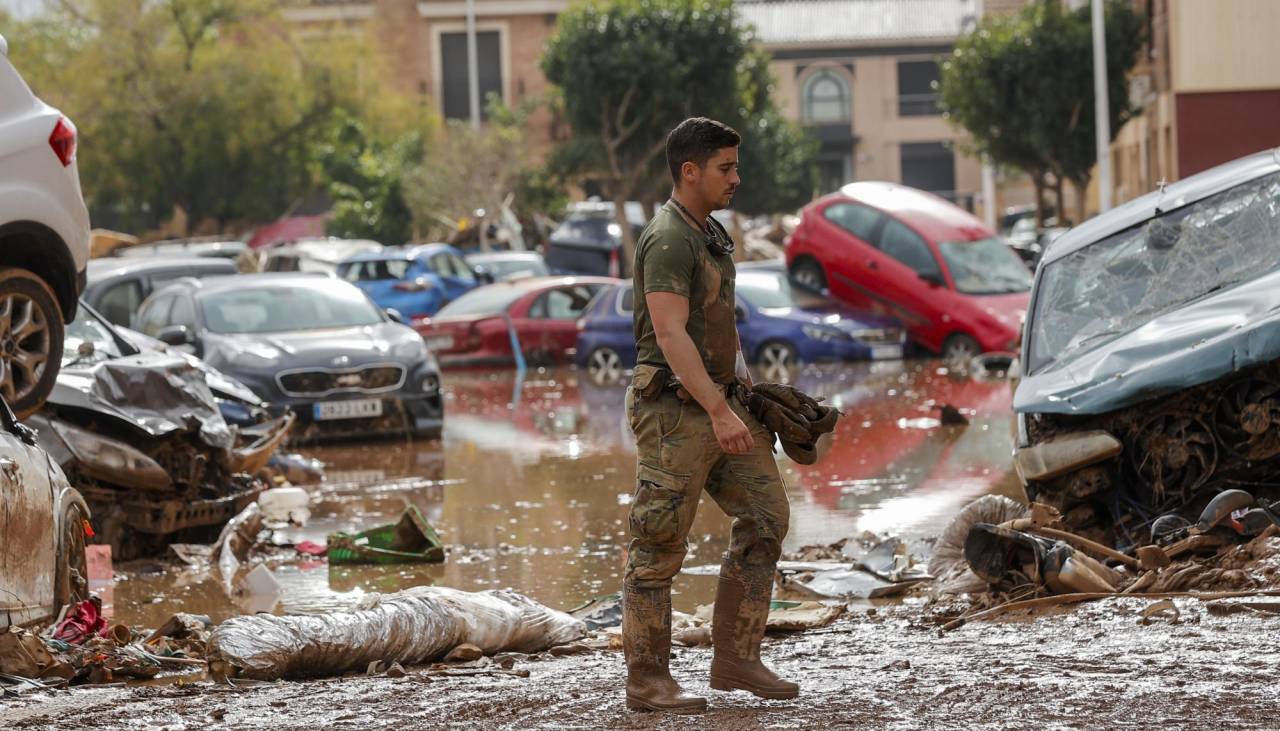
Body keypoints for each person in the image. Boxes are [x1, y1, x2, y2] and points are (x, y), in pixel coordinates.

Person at [622, 117, 797, 714]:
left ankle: (736, 658)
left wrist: (745, 387)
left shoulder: (710, 233)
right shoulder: (668, 236)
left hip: (721, 401)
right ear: (689, 171)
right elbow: (670, 334)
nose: (736, 178)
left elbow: (718, 321)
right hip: (675, 411)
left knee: (767, 515)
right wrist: (720, 410)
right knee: (658, 542)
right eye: (725, 168)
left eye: (736, 166)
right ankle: (648, 680)